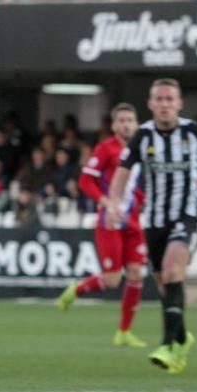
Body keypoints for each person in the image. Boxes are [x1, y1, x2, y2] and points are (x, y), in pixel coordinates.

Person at [105, 78, 197, 375]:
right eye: (159, 99)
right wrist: (114, 204)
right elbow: (122, 173)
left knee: (172, 270)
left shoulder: (195, 132)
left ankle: (166, 345)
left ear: (179, 103)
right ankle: (181, 337)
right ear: (151, 104)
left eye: (170, 99)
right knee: (165, 285)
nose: (164, 104)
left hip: (188, 213)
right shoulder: (143, 136)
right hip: (154, 219)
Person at [55, 103, 148, 349]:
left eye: (130, 120)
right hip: (110, 222)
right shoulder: (106, 149)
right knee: (112, 280)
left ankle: (124, 332)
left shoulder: (144, 147)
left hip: (134, 222)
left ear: (136, 123)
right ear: (115, 125)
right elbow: (86, 181)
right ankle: (77, 289)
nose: (127, 124)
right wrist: (105, 202)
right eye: (122, 120)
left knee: (137, 274)